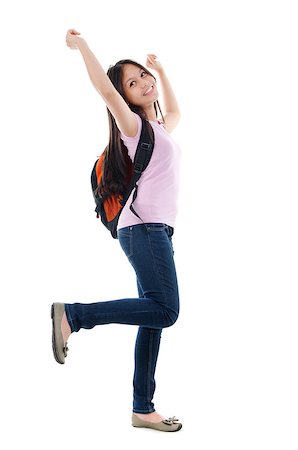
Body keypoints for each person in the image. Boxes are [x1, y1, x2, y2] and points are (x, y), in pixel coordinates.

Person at [51, 29, 182, 432]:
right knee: (166, 310)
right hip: (143, 229)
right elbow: (106, 93)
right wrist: (83, 47)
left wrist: (161, 70)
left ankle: (142, 408)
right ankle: (74, 316)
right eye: (133, 81)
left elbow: (175, 114)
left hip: (156, 232)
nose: (143, 81)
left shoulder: (157, 127)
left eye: (143, 75)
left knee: (153, 318)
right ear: (124, 96)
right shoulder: (131, 128)